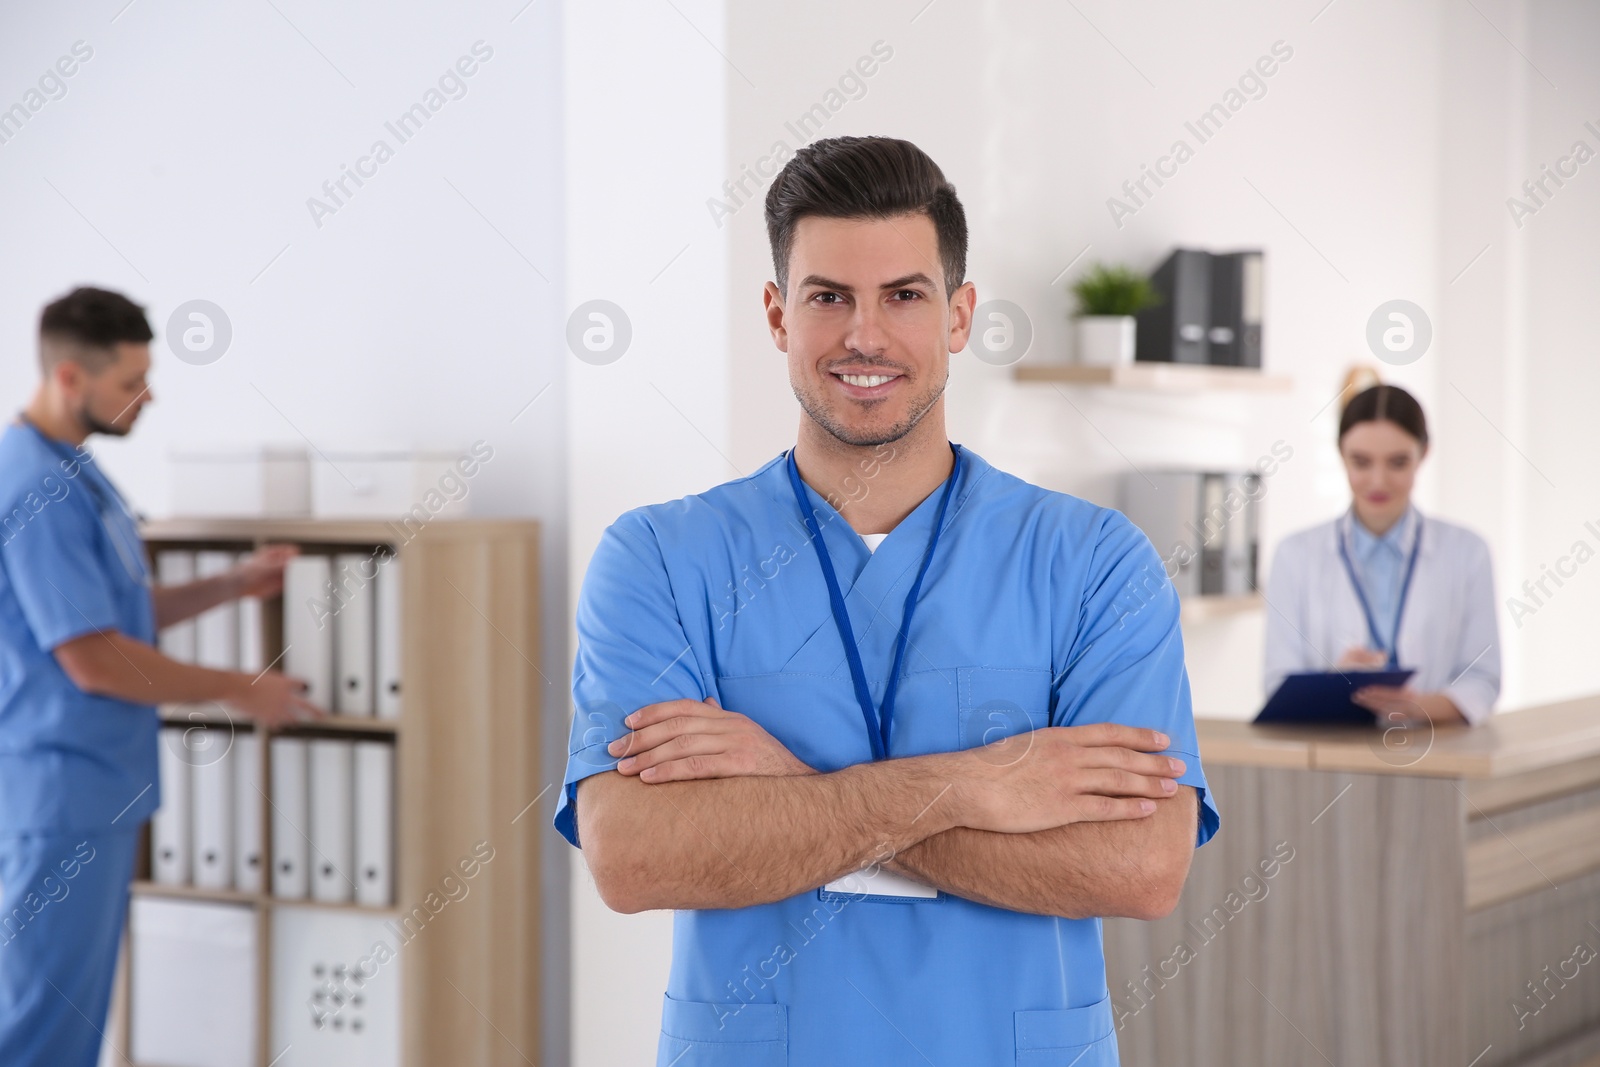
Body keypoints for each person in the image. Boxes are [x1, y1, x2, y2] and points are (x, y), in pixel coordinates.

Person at [553, 136, 1218, 1066]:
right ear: (779, 316)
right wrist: (983, 786)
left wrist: (789, 790)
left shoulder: (1095, 562)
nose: (865, 335)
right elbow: (632, 857)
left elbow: (1142, 867)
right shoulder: (662, 558)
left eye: (904, 295)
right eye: (829, 297)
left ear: (959, 315)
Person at [0, 287, 322, 1067]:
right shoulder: (33, 488)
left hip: (94, 792)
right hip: (60, 795)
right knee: (41, 1028)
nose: (147, 397)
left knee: (69, 1023)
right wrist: (240, 687)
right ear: (70, 377)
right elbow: (91, 655)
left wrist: (232, 584)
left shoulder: (76, 473)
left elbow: (118, 614)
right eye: (129, 382)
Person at [1263, 382, 1501, 724]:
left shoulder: (1467, 552)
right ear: (1341, 455)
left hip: (1435, 752)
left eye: (1397, 463)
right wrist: (1334, 685)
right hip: (1331, 758)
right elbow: (1277, 684)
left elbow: (1483, 679)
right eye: (1361, 462)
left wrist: (1418, 706)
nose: (1378, 481)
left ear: (1424, 454)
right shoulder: (1294, 555)